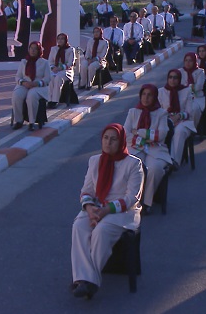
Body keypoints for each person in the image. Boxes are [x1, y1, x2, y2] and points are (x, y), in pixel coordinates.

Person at [71, 123, 143, 299]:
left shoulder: (134, 164)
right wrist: (89, 208)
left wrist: (106, 211)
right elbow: (87, 190)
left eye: (113, 139)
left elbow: (132, 198)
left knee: (101, 231)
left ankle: (88, 281)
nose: (108, 143)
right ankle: (85, 279)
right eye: (105, 138)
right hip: (97, 207)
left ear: (121, 142)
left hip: (123, 212)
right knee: (79, 226)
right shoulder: (95, 160)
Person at [123, 85, 172, 215]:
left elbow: (161, 135)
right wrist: (145, 138)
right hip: (135, 148)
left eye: (149, 95)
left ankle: (146, 202)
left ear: (155, 97)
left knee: (154, 169)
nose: (146, 98)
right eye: (144, 94)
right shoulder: (133, 112)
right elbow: (126, 133)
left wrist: (139, 132)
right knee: (131, 166)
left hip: (156, 149)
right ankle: (129, 200)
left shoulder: (161, 113)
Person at [158, 69, 196, 165]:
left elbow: (189, 112)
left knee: (179, 130)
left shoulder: (186, 91)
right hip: (166, 120)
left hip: (184, 121)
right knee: (162, 130)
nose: (172, 80)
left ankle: (174, 161)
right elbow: (157, 111)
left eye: (175, 78)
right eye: (170, 77)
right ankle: (161, 160)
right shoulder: (161, 92)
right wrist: (168, 117)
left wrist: (179, 116)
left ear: (179, 79)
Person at [12, 42, 51, 131]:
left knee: (31, 95)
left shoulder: (44, 62)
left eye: (35, 49)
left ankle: (32, 122)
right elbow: (18, 76)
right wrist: (23, 83)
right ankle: (18, 121)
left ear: (39, 50)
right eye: (31, 48)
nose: (33, 51)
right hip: (25, 84)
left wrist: (37, 83)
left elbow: (48, 78)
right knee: (17, 95)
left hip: (39, 86)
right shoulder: (24, 61)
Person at [47, 33, 75, 108]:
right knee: (50, 78)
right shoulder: (53, 49)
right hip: (55, 70)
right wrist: (53, 68)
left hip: (66, 71)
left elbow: (70, 63)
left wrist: (60, 68)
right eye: (58, 39)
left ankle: (55, 100)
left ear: (66, 40)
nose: (60, 40)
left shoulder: (71, 49)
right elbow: (50, 62)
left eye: (62, 39)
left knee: (58, 78)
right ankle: (49, 100)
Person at [178, 52, 205, 127]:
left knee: (195, 109)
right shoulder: (180, 71)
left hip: (196, 97)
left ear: (195, 61)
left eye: (190, 61)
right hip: (182, 97)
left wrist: (185, 87)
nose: (188, 63)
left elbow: (198, 87)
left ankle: (193, 127)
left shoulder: (200, 72)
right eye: (186, 60)